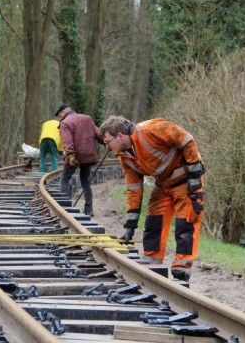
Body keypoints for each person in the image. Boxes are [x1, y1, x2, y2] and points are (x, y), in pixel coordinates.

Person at [99, 115, 206, 282]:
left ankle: (182, 266)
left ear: (119, 136)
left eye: (107, 142)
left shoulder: (151, 129)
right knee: (154, 219)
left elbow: (186, 139)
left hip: (186, 179)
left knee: (186, 222)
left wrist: (194, 175)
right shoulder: (125, 157)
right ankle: (152, 258)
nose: (106, 146)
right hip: (163, 183)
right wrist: (130, 225)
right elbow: (134, 189)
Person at [55, 103, 101, 216]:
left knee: (64, 179)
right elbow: (98, 133)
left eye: (59, 115)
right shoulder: (87, 118)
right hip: (88, 154)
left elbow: (67, 141)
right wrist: (107, 142)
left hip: (75, 155)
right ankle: (89, 209)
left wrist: (70, 155)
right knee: (85, 180)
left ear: (63, 112)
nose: (59, 118)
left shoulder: (65, 123)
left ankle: (64, 209)